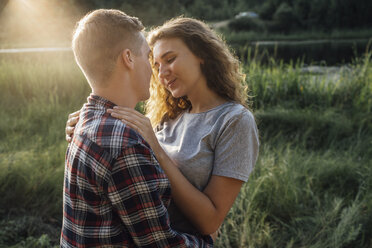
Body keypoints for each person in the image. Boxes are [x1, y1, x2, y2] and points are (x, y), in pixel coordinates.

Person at [66, 17, 259, 239]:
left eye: (170, 59)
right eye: (155, 64)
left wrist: (157, 149)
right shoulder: (166, 115)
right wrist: (83, 127)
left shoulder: (234, 121)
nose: (161, 73)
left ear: (202, 54)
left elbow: (210, 221)